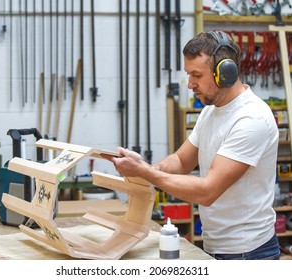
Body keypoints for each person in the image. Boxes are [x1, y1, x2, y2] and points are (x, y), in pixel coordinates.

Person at [105, 31, 280, 260]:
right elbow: (180, 161)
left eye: (196, 75)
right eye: (189, 75)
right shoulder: (210, 112)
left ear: (224, 73)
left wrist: (144, 172)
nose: (190, 84)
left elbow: (208, 191)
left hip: (248, 253)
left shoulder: (251, 119)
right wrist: (146, 168)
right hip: (215, 245)